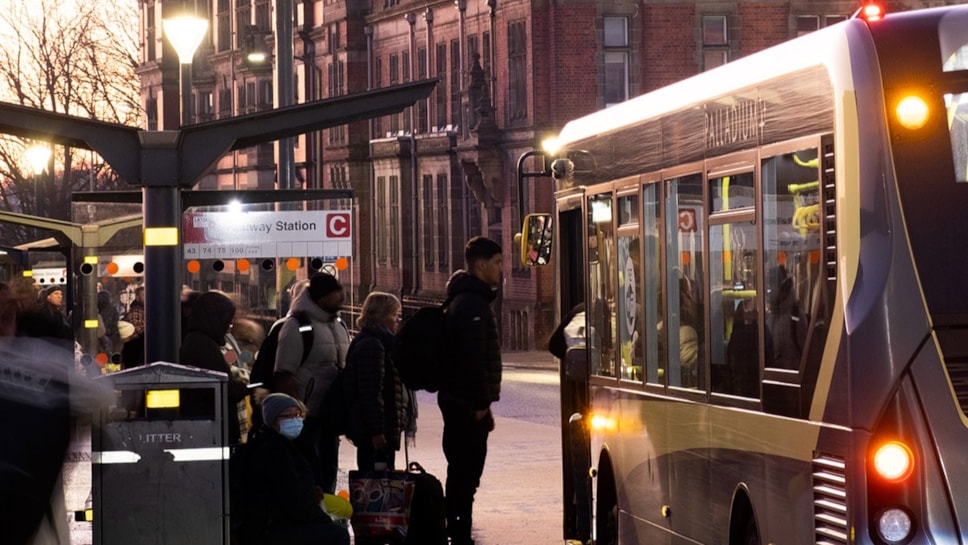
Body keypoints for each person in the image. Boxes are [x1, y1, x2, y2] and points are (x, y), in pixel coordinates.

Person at [439, 236, 503, 545]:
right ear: (480, 265)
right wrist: (481, 404)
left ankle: (458, 528)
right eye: (497, 262)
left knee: (462, 474)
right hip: (465, 403)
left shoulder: (464, 299)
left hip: (459, 401)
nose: (501, 269)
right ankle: (459, 533)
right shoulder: (471, 304)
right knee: (465, 475)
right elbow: (473, 358)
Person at [237, 393, 350, 545]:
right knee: (337, 534)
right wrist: (322, 519)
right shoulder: (272, 451)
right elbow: (294, 501)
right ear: (272, 421)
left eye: (298, 415)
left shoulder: (289, 445)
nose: (295, 420)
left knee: (342, 512)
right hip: (271, 527)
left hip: (280, 521)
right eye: (287, 416)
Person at [274, 272, 350, 493]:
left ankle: (328, 513)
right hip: (308, 415)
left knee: (329, 469)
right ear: (322, 297)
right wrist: (293, 414)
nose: (342, 298)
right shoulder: (297, 325)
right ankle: (313, 514)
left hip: (332, 413)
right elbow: (284, 372)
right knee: (310, 470)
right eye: (337, 294)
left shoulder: (338, 324)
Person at [343, 291, 410, 470]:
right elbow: (370, 391)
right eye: (394, 315)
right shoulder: (373, 345)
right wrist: (377, 431)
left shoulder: (382, 342)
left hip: (382, 428)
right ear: (380, 315)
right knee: (376, 485)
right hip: (376, 434)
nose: (398, 320)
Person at [179, 290, 250, 446]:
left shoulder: (198, 341)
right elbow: (220, 389)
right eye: (227, 321)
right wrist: (244, 387)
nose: (229, 327)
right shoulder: (204, 346)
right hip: (212, 429)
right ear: (216, 318)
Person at [121, 285, 145, 368]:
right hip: (135, 350)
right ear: (137, 297)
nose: (146, 298)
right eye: (143, 295)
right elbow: (140, 330)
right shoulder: (136, 311)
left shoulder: (143, 309)